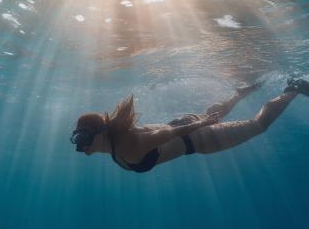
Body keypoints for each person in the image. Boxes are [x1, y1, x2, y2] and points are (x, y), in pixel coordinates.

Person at [70, 79, 309, 173]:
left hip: (195, 138)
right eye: (76, 139)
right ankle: (238, 94)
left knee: (258, 125)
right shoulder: (116, 142)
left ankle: (293, 89)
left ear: (99, 133)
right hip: (186, 125)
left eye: (82, 138)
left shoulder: (126, 146)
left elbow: (167, 134)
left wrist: (203, 125)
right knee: (213, 114)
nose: (79, 146)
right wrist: (203, 122)